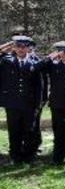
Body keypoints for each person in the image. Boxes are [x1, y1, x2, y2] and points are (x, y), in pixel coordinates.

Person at [0, 36, 43, 164]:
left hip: (29, 104)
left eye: (24, 46)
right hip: (12, 104)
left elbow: (39, 86)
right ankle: (15, 156)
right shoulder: (6, 61)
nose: (21, 49)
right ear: (14, 47)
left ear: (28, 48)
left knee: (29, 130)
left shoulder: (34, 63)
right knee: (14, 131)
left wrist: (38, 103)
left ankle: (29, 156)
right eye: (18, 46)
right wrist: (4, 48)